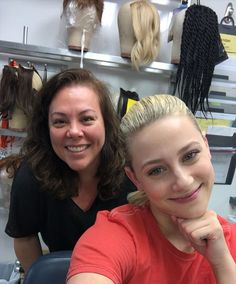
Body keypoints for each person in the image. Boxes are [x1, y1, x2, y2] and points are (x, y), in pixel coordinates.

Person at [67, 94, 236, 284]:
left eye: (190, 155)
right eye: (157, 170)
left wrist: (222, 263)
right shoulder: (116, 236)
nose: (184, 181)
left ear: (207, 146)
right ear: (134, 178)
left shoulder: (231, 240)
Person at [5, 68, 135, 273]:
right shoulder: (32, 175)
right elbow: (25, 237)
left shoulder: (132, 173)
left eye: (87, 119)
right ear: (46, 128)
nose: (74, 131)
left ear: (106, 124)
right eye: (60, 121)